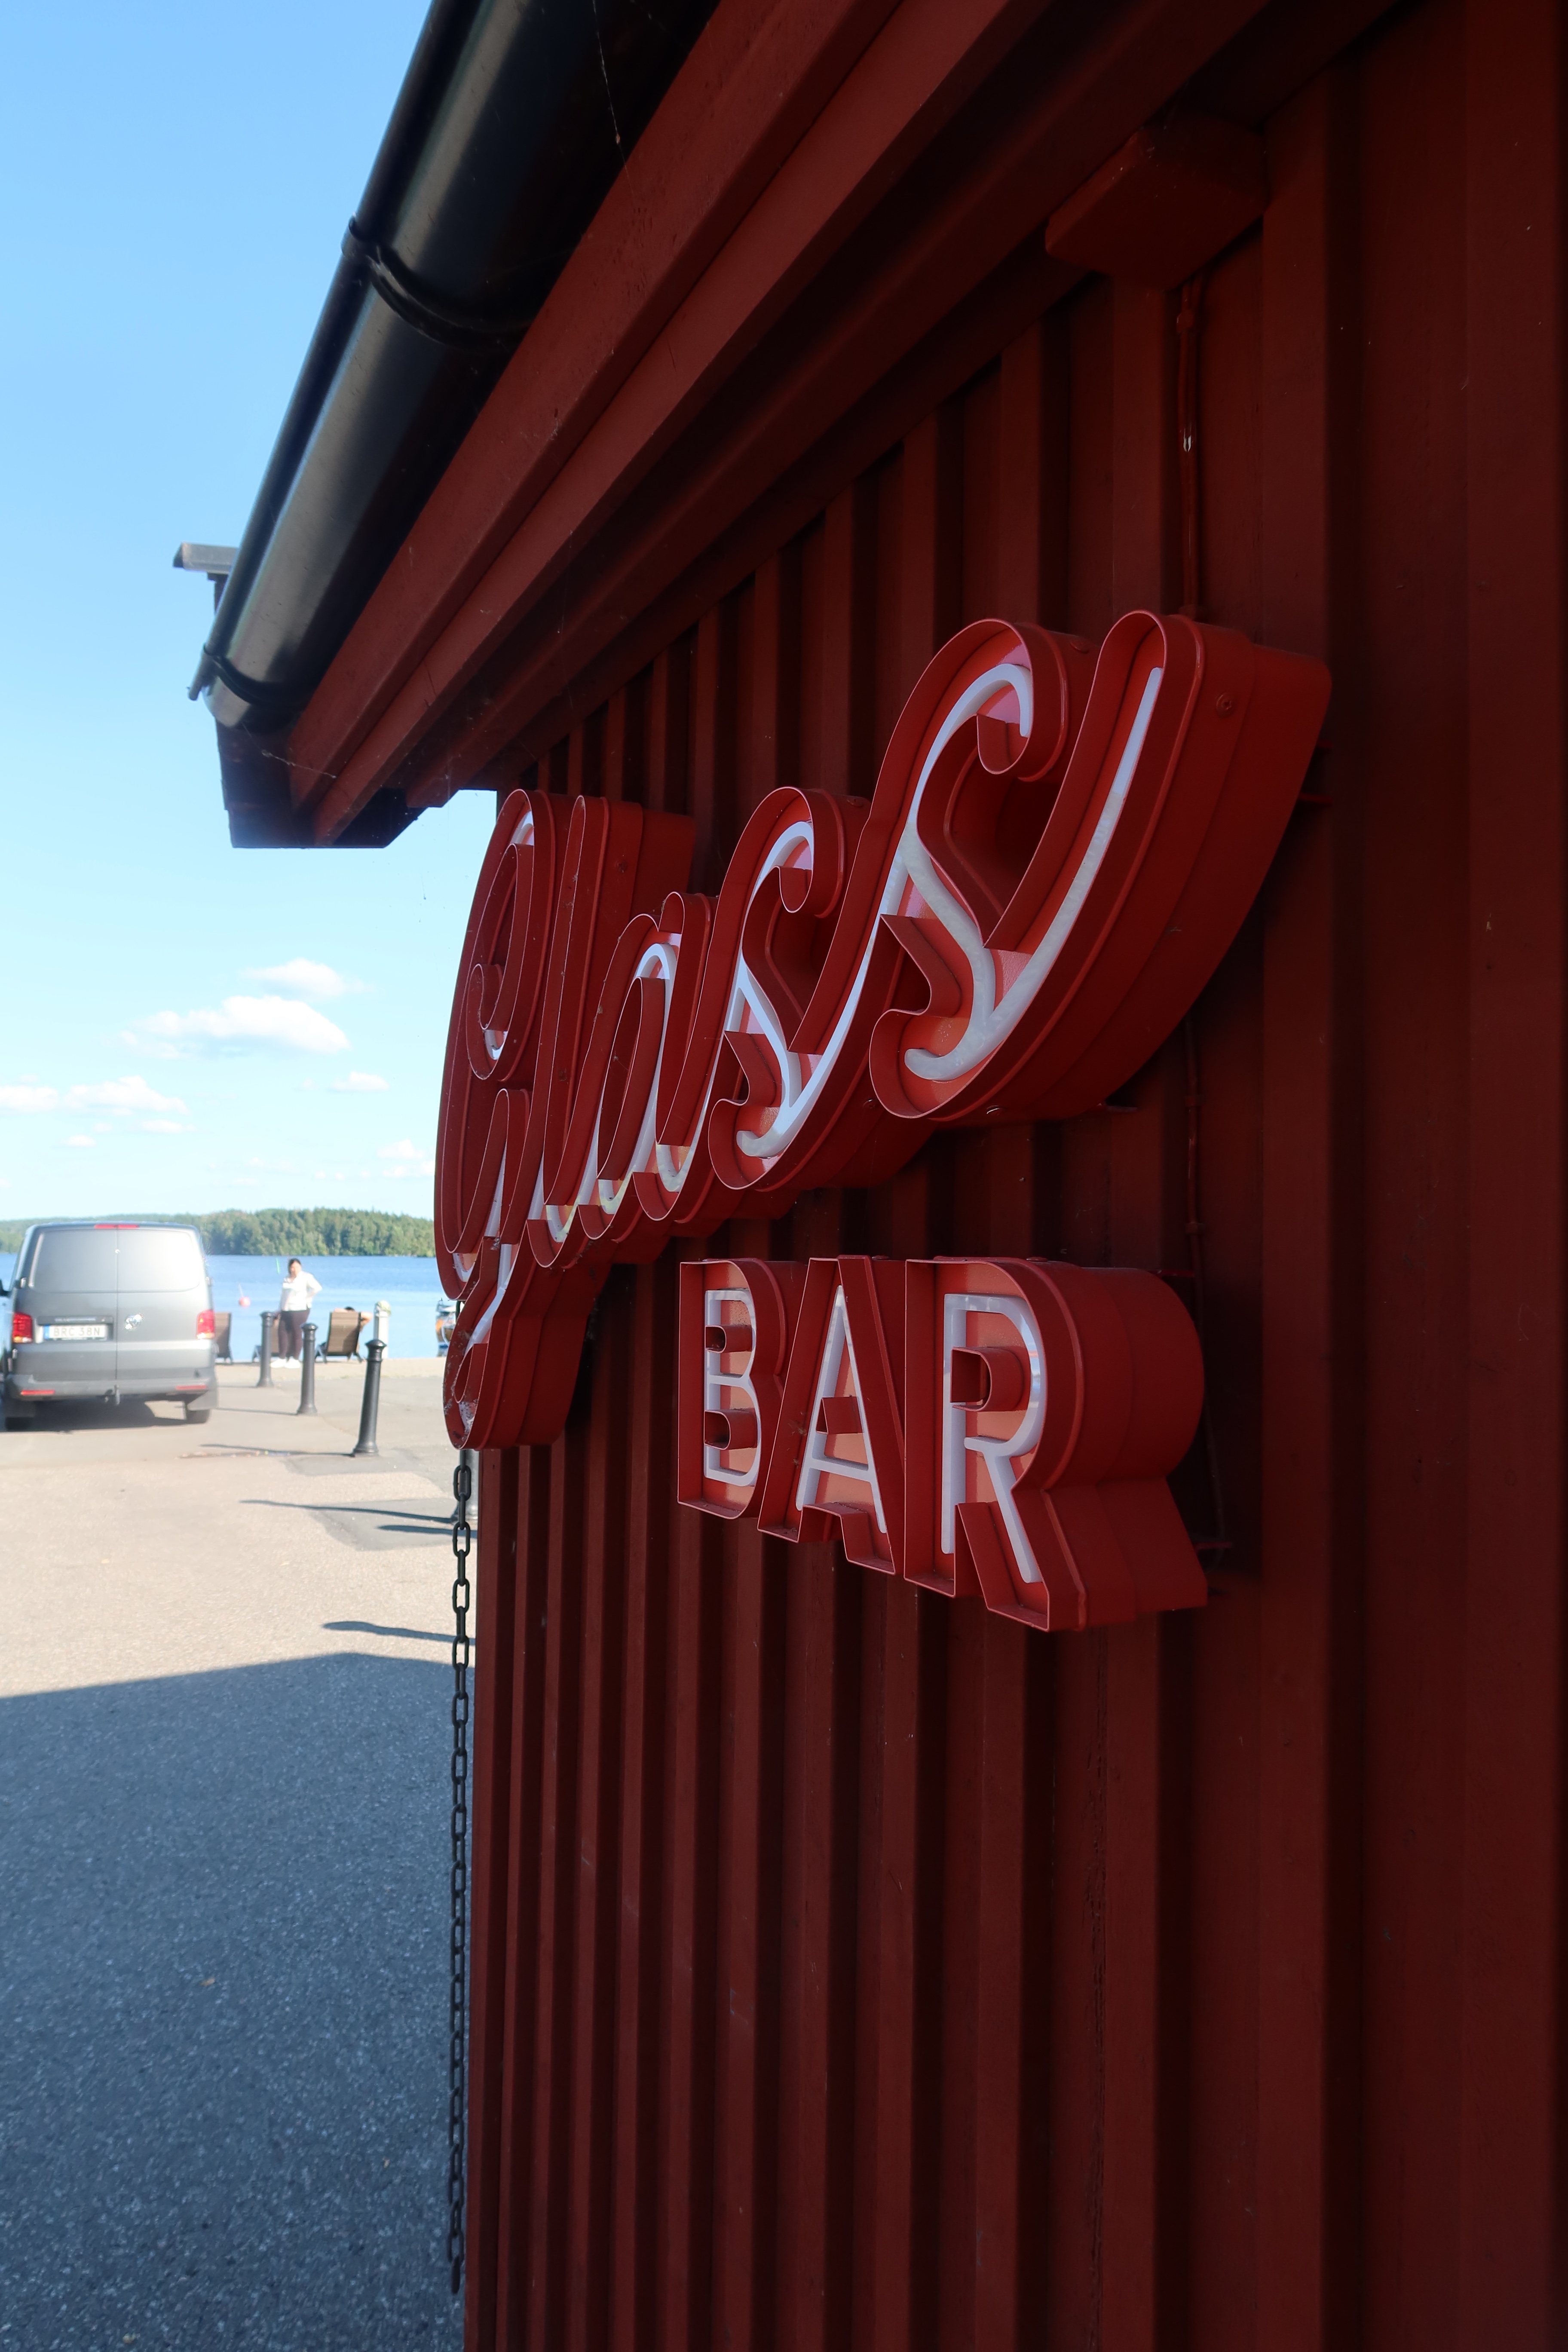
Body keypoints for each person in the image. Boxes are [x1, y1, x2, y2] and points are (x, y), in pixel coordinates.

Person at [276, 1258, 322, 1361]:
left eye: (297, 1267)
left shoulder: (306, 1277)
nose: (295, 1269)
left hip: (300, 1309)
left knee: (297, 1332)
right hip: (286, 1309)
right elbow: (283, 1296)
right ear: (289, 1268)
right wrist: (279, 1309)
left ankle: (295, 1358)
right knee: (282, 1331)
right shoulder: (286, 1279)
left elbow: (317, 1288)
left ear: (301, 1267)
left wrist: (307, 1298)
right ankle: (282, 1357)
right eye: (293, 1267)